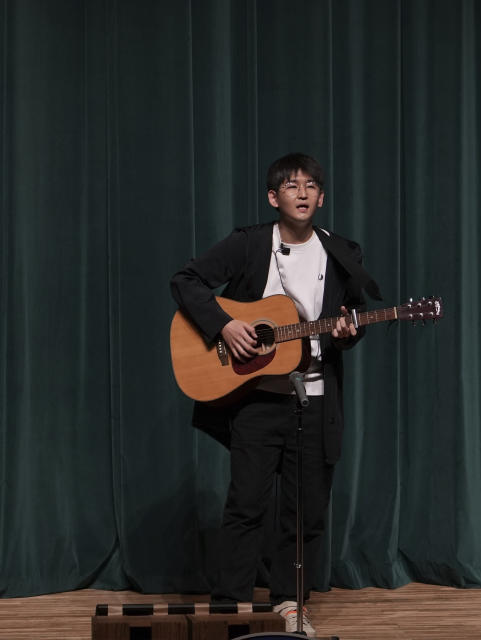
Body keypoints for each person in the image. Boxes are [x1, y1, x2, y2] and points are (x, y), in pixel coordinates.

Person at [170, 152, 380, 636]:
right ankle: (231, 610)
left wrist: (351, 330)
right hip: (257, 399)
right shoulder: (248, 245)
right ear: (273, 197)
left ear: (321, 198)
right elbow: (185, 280)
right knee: (246, 505)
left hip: (316, 397)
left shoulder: (343, 251)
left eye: (311, 186)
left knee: (305, 512)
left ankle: (290, 603)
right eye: (291, 185)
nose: (302, 193)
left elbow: (352, 315)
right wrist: (224, 326)